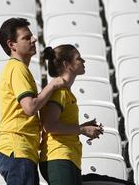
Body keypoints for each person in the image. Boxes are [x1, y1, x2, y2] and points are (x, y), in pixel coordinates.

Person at [0, 18, 66, 185]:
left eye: (32, 36)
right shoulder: (17, 68)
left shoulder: (17, 69)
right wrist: (53, 85)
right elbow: (30, 107)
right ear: (11, 45)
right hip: (18, 149)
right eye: (26, 38)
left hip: (20, 151)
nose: (34, 39)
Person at [39, 45, 104, 185]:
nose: (83, 61)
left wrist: (82, 127)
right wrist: (82, 130)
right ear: (67, 64)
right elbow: (49, 125)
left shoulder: (65, 92)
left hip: (67, 157)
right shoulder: (60, 92)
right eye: (79, 58)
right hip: (58, 157)